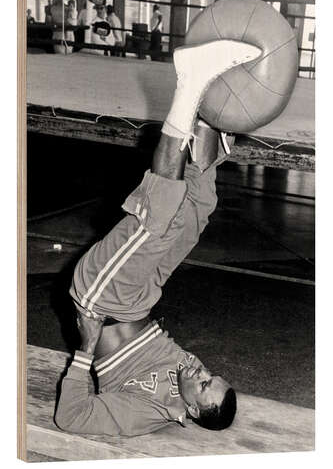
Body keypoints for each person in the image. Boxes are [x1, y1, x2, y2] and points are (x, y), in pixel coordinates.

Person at [55, 39, 261, 436]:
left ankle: (192, 81)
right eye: (212, 373)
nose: (202, 370)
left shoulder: (147, 411)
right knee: (198, 209)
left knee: (158, 218)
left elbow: (72, 418)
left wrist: (84, 351)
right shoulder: (188, 376)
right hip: (142, 295)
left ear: (192, 412)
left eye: (202, 385)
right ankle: (207, 103)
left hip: (103, 298)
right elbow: (188, 370)